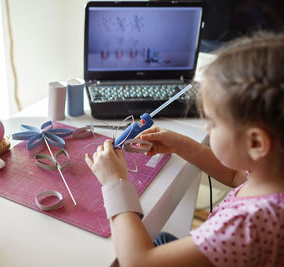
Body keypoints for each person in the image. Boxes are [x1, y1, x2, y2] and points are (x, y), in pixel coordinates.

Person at [85, 32, 284, 267]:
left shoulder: (246, 225)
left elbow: (138, 262)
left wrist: (114, 183)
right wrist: (182, 144)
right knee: (159, 238)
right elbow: (236, 177)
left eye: (212, 122)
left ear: (256, 143)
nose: (206, 127)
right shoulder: (270, 175)